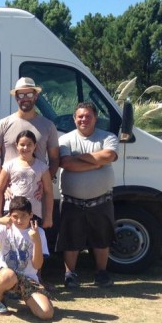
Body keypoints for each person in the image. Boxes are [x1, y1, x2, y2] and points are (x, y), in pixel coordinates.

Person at [57, 102, 119, 288]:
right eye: (80, 116)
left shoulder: (108, 136)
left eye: (88, 116)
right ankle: (70, 274)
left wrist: (80, 158)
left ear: (95, 118)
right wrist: (96, 162)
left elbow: (108, 156)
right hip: (72, 200)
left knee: (102, 240)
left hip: (101, 199)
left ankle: (101, 273)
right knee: (71, 241)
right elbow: (67, 163)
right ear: (74, 119)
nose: (84, 119)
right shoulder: (65, 139)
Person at [0, 195, 54, 320]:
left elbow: (37, 265)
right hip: (7, 276)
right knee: (8, 276)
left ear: (31, 215)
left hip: (29, 280)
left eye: (23, 216)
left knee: (46, 313)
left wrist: (37, 242)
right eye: (15, 217)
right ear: (9, 215)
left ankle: (26, 297)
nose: (19, 220)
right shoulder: (5, 228)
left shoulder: (38, 232)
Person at [0, 77, 60, 181]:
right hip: (11, 192)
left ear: (36, 96)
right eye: (21, 95)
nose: (25, 98)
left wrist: (45, 184)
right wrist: (3, 184)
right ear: (16, 97)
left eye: (29, 94)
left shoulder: (48, 126)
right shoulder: (3, 125)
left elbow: (54, 159)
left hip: (37, 193)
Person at [0, 131, 54, 228]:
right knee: (9, 241)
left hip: (33, 212)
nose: (25, 148)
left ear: (35, 146)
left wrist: (48, 217)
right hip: (11, 211)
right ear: (16, 146)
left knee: (32, 241)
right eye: (22, 145)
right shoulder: (9, 165)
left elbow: (48, 192)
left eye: (29, 144)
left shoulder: (42, 167)